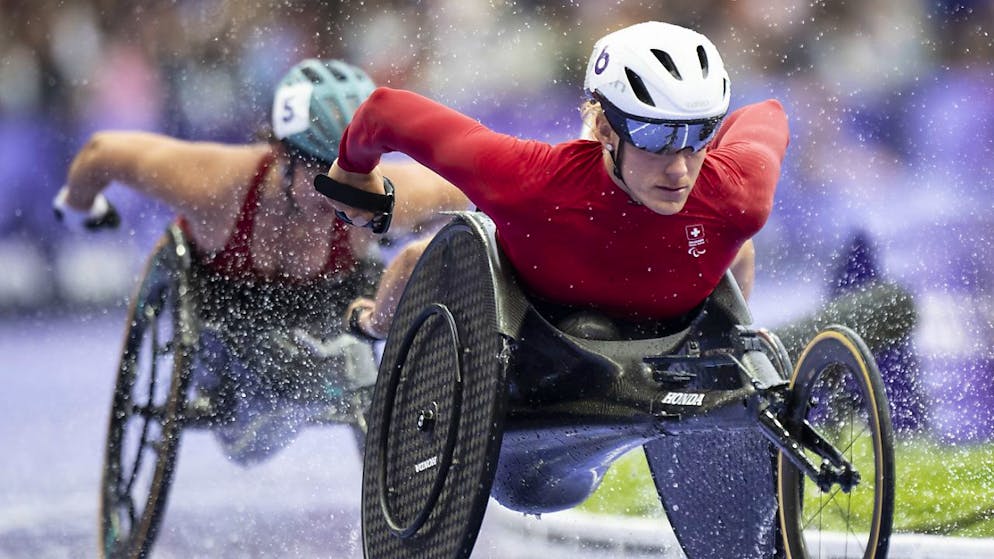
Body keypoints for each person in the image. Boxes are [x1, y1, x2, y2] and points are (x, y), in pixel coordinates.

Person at [54, 58, 465, 464]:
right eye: (326, 176)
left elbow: (469, 193)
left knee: (374, 313)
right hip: (225, 323)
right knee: (267, 397)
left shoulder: (382, 197)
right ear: (283, 156)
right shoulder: (217, 185)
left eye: (356, 174)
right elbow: (100, 152)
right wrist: (80, 209)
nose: (343, 194)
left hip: (329, 318)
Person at [326, 21, 789, 336]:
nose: (679, 168)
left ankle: (732, 335)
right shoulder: (534, 181)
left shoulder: (738, 192)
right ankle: (371, 327)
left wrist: (353, 171)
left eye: (698, 136)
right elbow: (385, 111)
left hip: (663, 324)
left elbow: (767, 112)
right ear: (605, 128)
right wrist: (351, 170)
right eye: (654, 137)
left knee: (738, 248)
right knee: (417, 260)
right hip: (534, 316)